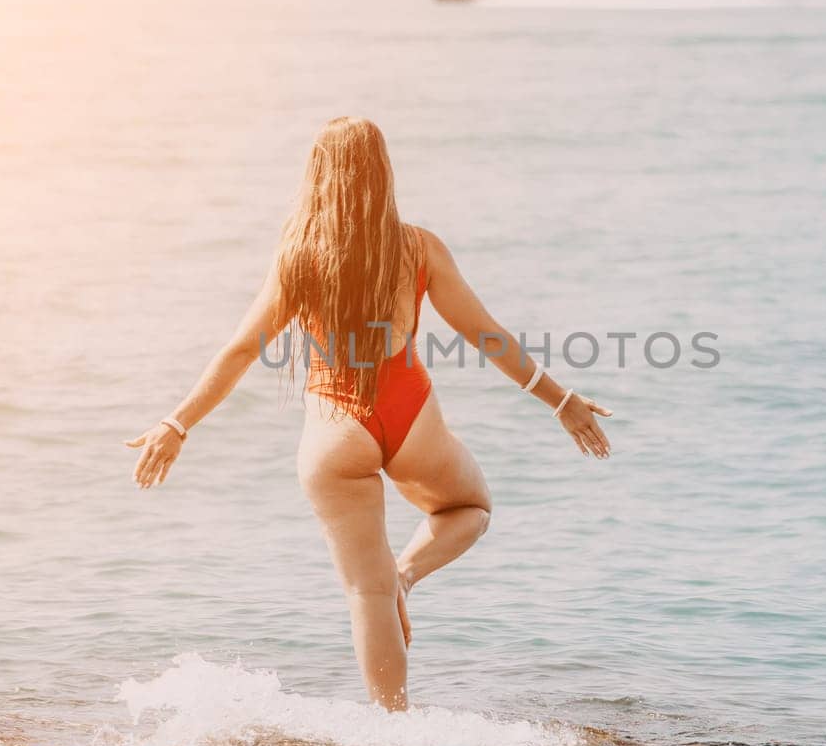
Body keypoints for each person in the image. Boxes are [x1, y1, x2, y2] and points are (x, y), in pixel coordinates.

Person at [125, 117, 612, 711]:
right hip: (410, 418)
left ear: (319, 176)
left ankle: (394, 730)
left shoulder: (298, 256)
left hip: (334, 432)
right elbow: (488, 337)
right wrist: (561, 401)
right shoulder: (418, 248)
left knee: (366, 591)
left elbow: (240, 351)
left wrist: (178, 425)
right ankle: (405, 575)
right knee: (473, 508)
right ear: (383, 173)